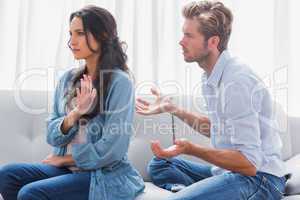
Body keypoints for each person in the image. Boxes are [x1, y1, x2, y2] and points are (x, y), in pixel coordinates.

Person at [136, 1, 288, 199]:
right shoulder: (211, 76)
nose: (181, 42)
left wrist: (192, 149)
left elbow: (249, 164)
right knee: (161, 163)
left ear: (213, 42)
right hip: (229, 172)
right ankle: (192, 192)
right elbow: (219, 128)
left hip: (260, 179)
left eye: (189, 35)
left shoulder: (236, 82)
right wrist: (174, 109)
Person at [0, 5, 144, 200]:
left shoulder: (120, 83)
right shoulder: (67, 79)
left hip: (102, 175)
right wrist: (76, 113)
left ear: (101, 34)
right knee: (8, 174)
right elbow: (52, 135)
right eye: (70, 34)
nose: (71, 41)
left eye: (80, 33)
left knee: (30, 193)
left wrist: (65, 158)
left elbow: (112, 149)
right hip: (68, 171)